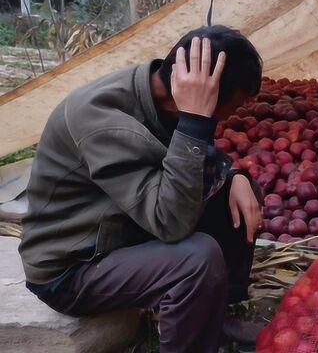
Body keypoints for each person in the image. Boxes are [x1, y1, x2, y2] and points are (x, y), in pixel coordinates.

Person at [18, 25, 263, 352]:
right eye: (235, 104)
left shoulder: (164, 96)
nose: (236, 113)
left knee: (238, 193)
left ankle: (216, 316)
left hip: (121, 226)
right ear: (198, 94)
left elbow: (185, 165)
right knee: (196, 259)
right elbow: (171, 223)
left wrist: (234, 176)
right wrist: (195, 124)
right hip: (73, 267)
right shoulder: (102, 119)